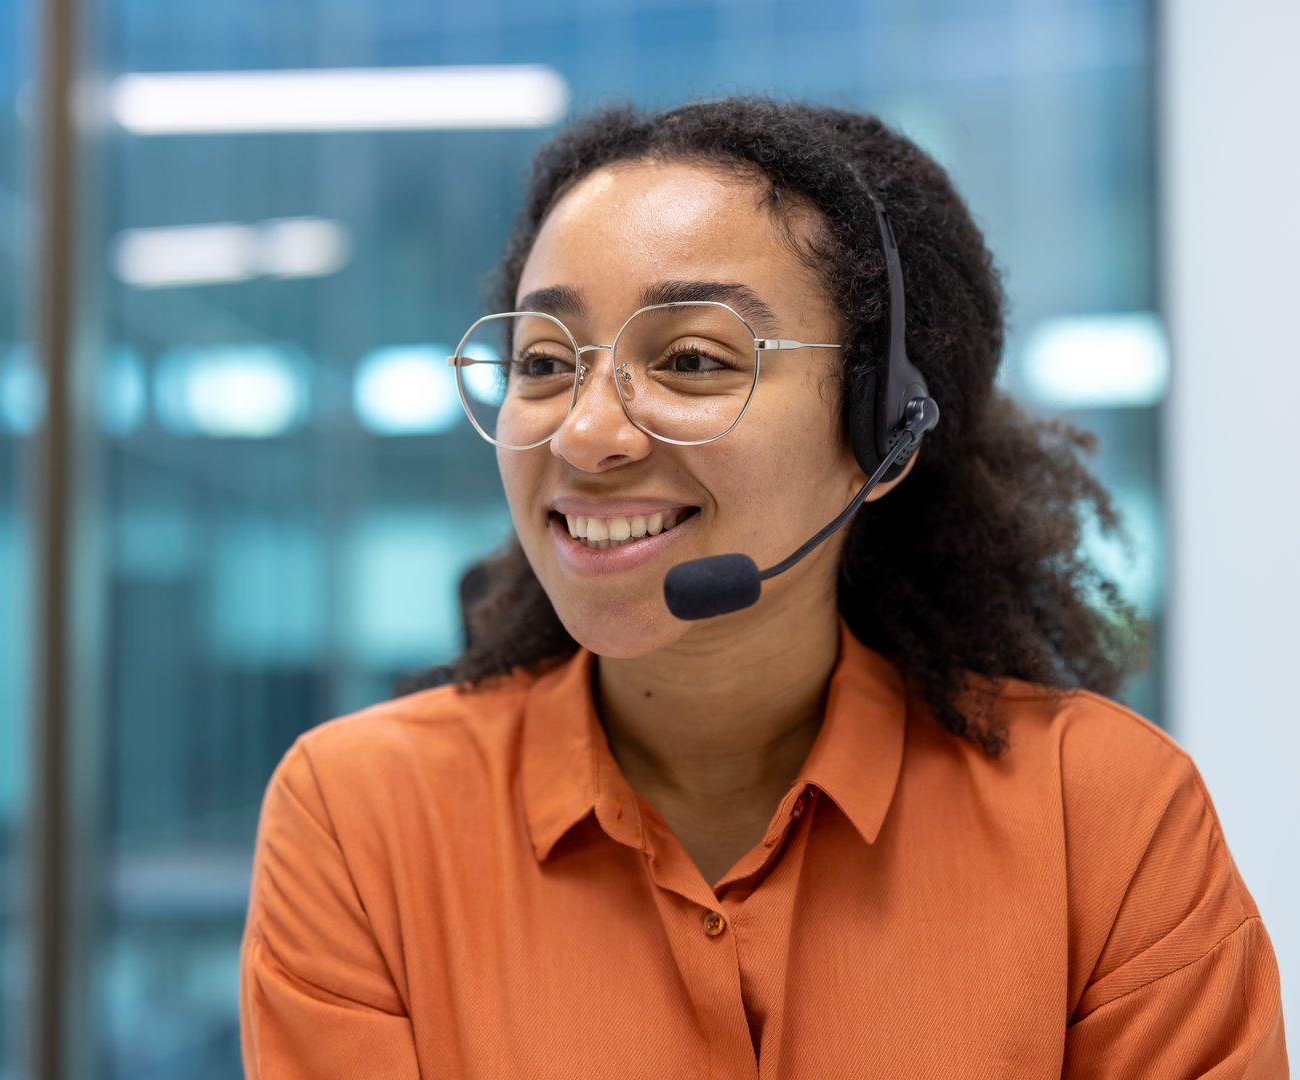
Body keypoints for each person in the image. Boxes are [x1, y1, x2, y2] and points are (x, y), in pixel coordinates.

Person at [238, 98, 1287, 1078]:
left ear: (880, 431)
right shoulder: (360, 817)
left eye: (692, 360)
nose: (586, 433)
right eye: (545, 361)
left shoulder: (1098, 815)